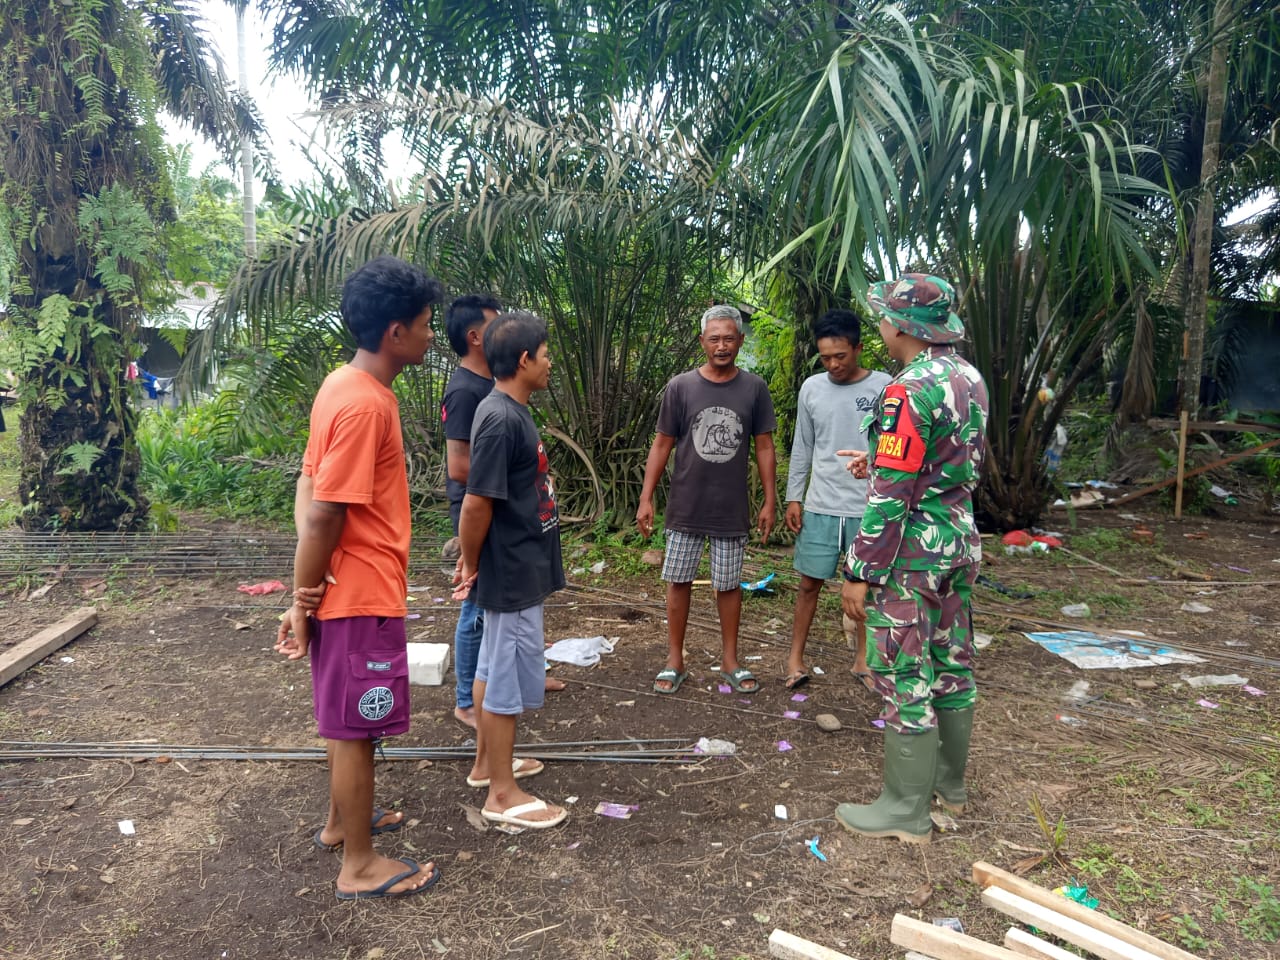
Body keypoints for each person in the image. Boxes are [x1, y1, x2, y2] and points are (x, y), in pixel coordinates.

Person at [276, 254, 446, 899]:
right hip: (360, 591)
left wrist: (309, 591)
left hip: (349, 587)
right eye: (427, 325)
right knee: (354, 727)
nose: (433, 336)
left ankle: (342, 824)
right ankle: (360, 864)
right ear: (395, 333)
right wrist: (304, 598)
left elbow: (307, 483)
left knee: (351, 719)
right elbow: (322, 515)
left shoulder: (340, 385)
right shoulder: (367, 406)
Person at [835, 274, 989, 844]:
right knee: (953, 661)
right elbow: (944, 460)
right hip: (957, 540)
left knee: (904, 669)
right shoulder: (968, 378)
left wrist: (859, 571)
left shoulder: (906, 388)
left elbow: (891, 497)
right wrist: (879, 459)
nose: (878, 324)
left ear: (900, 325)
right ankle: (949, 787)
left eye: (882, 316)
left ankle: (905, 807)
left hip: (911, 554)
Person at [452, 311, 568, 829]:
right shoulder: (500, 417)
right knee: (503, 678)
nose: (549, 364)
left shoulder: (509, 410)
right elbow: (476, 503)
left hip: (521, 560)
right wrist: (471, 563)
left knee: (488, 667)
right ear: (523, 360)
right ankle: (502, 794)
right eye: (545, 356)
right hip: (512, 567)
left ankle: (486, 764)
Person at [636, 304, 777, 695]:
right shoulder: (681, 386)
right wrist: (646, 498)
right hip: (686, 503)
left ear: (740, 342)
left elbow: (764, 446)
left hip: (730, 506)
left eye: (729, 338)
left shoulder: (754, 388)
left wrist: (770, 500)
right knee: (677, 580)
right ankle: (674, 660)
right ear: (702, 341)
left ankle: (730, 659)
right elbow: (662, 442)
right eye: (714, 338)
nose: (721, 345)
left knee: (728, 584)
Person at [783, 309, 891, 691]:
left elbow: (896, 447)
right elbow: (803, 446)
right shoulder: (812, 388)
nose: (833, 364)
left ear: (858, 348)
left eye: (840, 356)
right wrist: (794, 497)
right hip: (820, 504)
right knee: (809, 584)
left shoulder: (885, 387)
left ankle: (864, 660)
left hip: (869, 506)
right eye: (825, 357)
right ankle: (795, 659)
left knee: (868, 587)